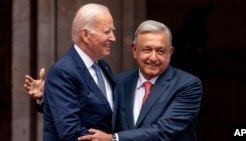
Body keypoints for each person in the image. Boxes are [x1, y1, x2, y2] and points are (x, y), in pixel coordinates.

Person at [25, 20, 202, 141]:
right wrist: (50, 95)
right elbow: (93, 113)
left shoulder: (188, 85)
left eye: (160, 51)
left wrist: (113, 139)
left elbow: (164, 131)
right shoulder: (119, 81)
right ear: (134, 50)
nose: (153, 57)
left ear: (170, 53)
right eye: (147, 50)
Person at [25, 3, 118, 141]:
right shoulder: (63, 71)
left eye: (112, 31)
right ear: (86, 35)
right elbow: (71, 131)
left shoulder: (104, 67)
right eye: (106, 32)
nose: (113, 38)